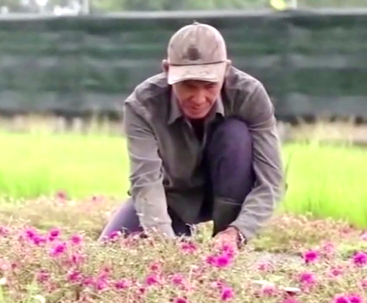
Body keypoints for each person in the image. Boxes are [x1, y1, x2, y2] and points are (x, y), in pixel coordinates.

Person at [99, 21, 285, 247]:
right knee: (110, 250)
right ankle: (178, 233)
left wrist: (238, 232)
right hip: (170, 198)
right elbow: (145, 181)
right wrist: (164, 245)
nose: (198, 99)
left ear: (225, 71)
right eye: (188, 85)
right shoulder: (143, 105)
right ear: (167, 71)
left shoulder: (249, 95)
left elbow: (271, 181)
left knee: (235, 135)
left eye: (209, 86)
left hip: (230, 195)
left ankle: (225, 245)